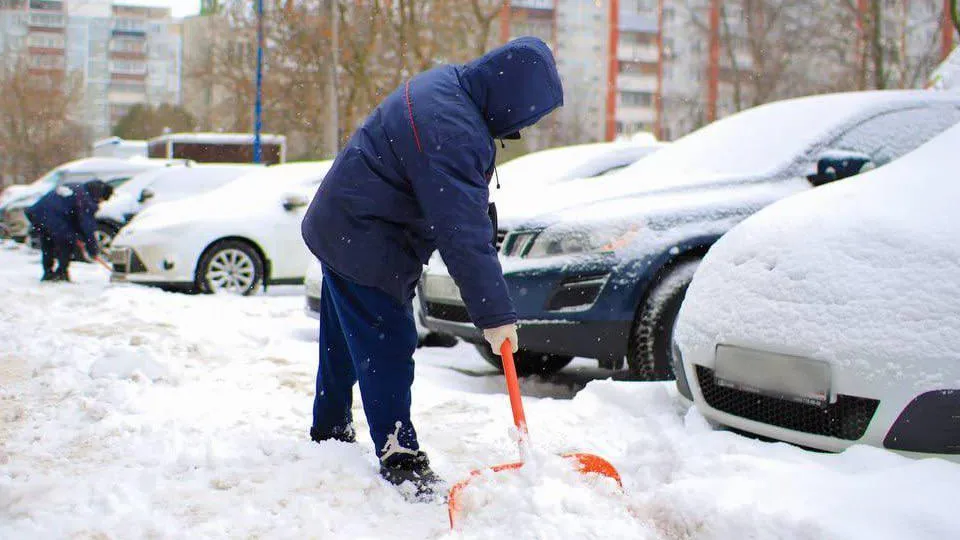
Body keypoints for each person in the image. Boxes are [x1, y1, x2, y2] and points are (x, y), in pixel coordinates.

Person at [301, 36, 563, 500]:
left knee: (344, 338)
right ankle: (399, 453)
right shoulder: (453, 129)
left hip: (341, 222)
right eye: (531, 113)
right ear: (514, 99)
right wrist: (496, 316)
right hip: (366, 237)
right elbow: (460, 232)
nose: (527, 124)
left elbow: (451, 198)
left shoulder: (450, 85)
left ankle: (329, 431)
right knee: (387, 341)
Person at [25, 180, 113, 282]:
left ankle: (48, 272)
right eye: (102, 200)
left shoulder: (77, 186)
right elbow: (86, 226)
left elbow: (75, 219)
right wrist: (92, 249)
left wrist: (80, 236)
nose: (100, 203)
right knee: (66, 243)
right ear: (100, 195)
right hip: (53, 217)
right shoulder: (86, 199)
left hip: (36, 213)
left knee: (48, 242)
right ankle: (62, 273)